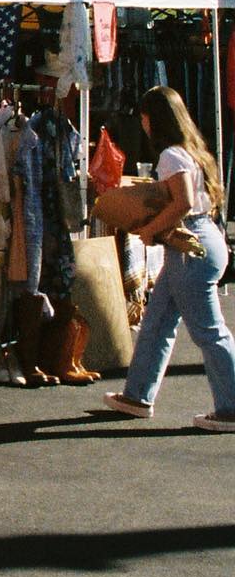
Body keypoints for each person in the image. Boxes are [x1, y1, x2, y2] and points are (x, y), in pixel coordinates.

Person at [104, 85, 235, 430]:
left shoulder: (170, 156)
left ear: (152, 119)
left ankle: (231, 408)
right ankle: (137, 396)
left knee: (208, 331)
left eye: (144, 116)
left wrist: (150, 230)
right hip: (201, 241)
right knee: (157, 322)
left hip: (189, 247)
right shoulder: (191, 151)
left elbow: (183, 202)